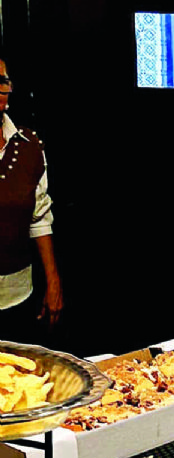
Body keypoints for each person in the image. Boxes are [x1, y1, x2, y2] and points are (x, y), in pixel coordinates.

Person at [0, 57, 63, 344]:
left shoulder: (28, 146)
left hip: (17, 299)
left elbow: (40, 218)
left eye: (1, 83)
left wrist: (53, 283)